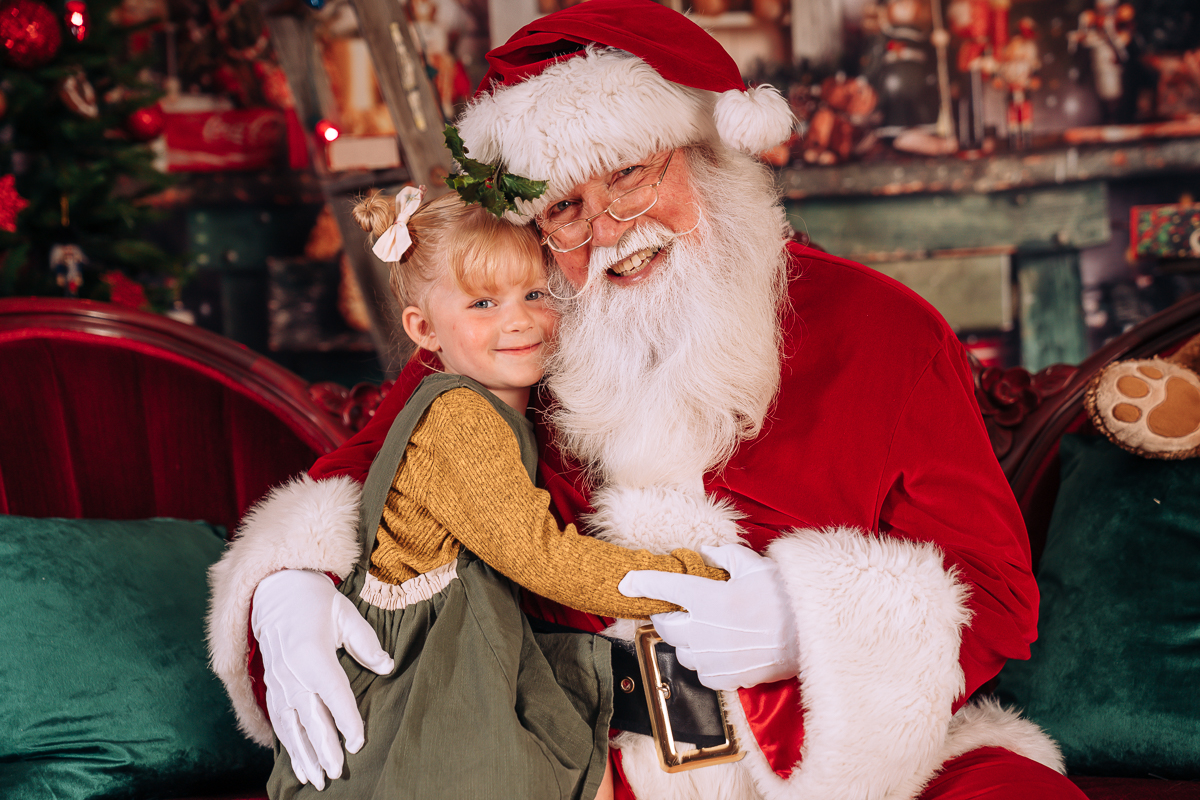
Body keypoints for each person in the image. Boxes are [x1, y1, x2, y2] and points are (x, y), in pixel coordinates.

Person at [207, 2, 1090, 798]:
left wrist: (809, 627)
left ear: (709, 156)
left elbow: (997, 592)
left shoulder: (884, 329)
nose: (609, 230)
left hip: (830, 758)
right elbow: (366, 471)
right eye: (565, 209)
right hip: (585, 760)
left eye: (629, 174)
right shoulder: (518, 339)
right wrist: (287, 585)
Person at [257, 185, 731, 799]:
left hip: (469, 641)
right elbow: (542, 557)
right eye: (483, 303)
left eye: (535, 293)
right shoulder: (461, 419)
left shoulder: (493, 405)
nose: (519, 319)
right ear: (423, 329)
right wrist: (695, 580)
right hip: (428, 669)